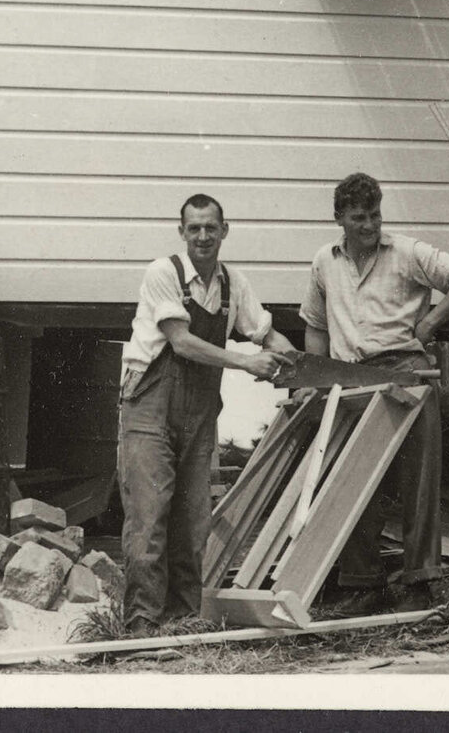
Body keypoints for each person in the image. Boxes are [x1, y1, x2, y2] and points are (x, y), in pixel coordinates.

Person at [300, 172, 449, 615]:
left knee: (417, 479)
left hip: (406, 372)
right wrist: (316, 378)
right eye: (358, 218)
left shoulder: (405, 252)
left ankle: (420, 583)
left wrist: (430, 322)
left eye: (375, 215)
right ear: (339, 219)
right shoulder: (325, 261)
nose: (369, 225)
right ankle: (364, 585)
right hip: (352, 378)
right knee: (352, 481)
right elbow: (315, 325)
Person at [118, 194, 293, 633]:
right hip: (149, 409)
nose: (202, 236)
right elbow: (181, 342)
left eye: (210, 228)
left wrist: (302, 368)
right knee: (149, 518)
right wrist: (246, 362)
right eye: (193, 228)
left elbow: (268, 336)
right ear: (182, 231)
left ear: (224, 230)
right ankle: (141, 626)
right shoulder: (164, 273)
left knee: (194, 521)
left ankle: (182, 622)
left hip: (198, 414)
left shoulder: (234, 284)